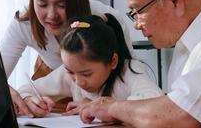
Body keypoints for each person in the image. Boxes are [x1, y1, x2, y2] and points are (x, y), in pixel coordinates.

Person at [0, 0, 137, 117]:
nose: (52, 15)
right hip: (54, 82)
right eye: (42, 4)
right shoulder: (24, 24)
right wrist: (27, 99)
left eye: (62, 5)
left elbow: (130, 72)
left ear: (77, 0)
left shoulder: (105, 21)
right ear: (32, 0)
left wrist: (103, 105)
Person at [17, 14, 162, 117]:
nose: (78, 81)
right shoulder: (71, 73)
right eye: (70, 72)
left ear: (112, 62)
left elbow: (155, 101)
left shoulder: (130, 70)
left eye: (86, 74)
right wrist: (29, 100)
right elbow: (25, 90)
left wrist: (102, 107)